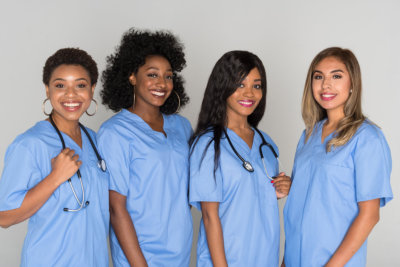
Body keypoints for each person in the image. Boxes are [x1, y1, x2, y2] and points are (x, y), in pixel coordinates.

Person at [283, 47, 393, 267]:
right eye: (318, 77)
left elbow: (369, 215)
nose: (326, 85)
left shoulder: (367, 138)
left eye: (336, 76)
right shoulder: (308, 135)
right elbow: (302, 210)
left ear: (352, 83)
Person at [0, 48, 109, 266]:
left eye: (80, 85)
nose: (71, 95)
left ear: (92, 89)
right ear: (48, 90)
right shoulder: (30, 144)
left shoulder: (97, 141)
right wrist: (55, 178)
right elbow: (5, 217)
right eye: (60, 85)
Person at [97, 28, 192, 267]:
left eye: (168, 76)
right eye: (152, 74)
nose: (162, 83)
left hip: (180, 252)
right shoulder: (115, 132)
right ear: (132, 77)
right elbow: (116, 209)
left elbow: (187, 189)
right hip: (140, 256)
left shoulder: (181, 127)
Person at [189, 50, 291, 267]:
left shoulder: (267, 144)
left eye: (257, 85)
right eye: (240, 84)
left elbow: (256, 194)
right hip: (226, 261)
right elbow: (209, 216)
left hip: (265, 258)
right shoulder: (208, 145)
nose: (250, 93)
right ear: (223, 87)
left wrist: (282, 188)